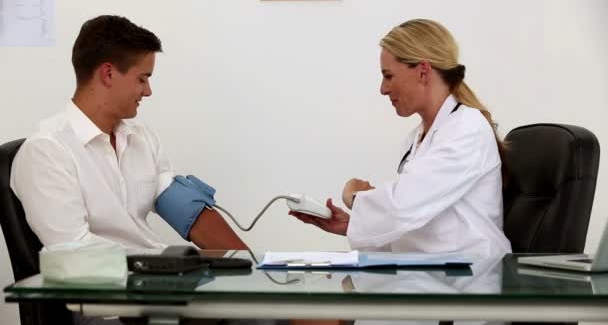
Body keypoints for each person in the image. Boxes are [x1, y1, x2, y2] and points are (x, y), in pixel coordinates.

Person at [10, 15, 248, 254]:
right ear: (108, 74)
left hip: (153, 276)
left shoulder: (141, 140)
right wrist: (169, 264)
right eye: (142, 79)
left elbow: (187, 210)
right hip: (107, 286)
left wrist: (251, 266)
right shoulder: (46, 151)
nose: (148, 91)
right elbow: (74, 252)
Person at [291, 19, 512, 258]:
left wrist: (355, 197)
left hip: (472, 280)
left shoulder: (467, 128)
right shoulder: (415, 139)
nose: (383, 89)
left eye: (388, 76)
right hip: (434, 275)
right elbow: (416, 226)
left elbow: (402, 208)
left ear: (423, 72)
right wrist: (351, 226)